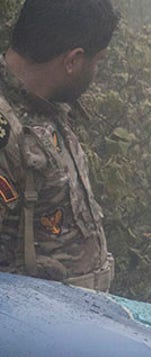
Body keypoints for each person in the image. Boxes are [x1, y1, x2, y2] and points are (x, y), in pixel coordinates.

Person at [0, 0, 119, 291]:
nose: (96, 72)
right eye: (98, 61)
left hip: (73, 320)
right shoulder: (6, 132)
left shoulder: (48, 106)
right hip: (28, 327)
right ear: (72, 61)